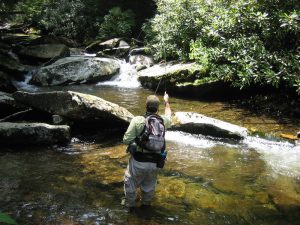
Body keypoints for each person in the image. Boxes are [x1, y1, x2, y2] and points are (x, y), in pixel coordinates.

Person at [122, 92, 172, 213]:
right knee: (149, 186)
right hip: (156, 162)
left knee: (131, 182)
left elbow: (126, 140)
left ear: (146, 106)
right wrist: (166, 101)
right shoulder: (163, 120)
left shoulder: (137, 120)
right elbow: (169, 115)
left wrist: (136, 142)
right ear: (157, 108)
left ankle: (129, 208)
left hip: (139, 161)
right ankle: (146, 207)